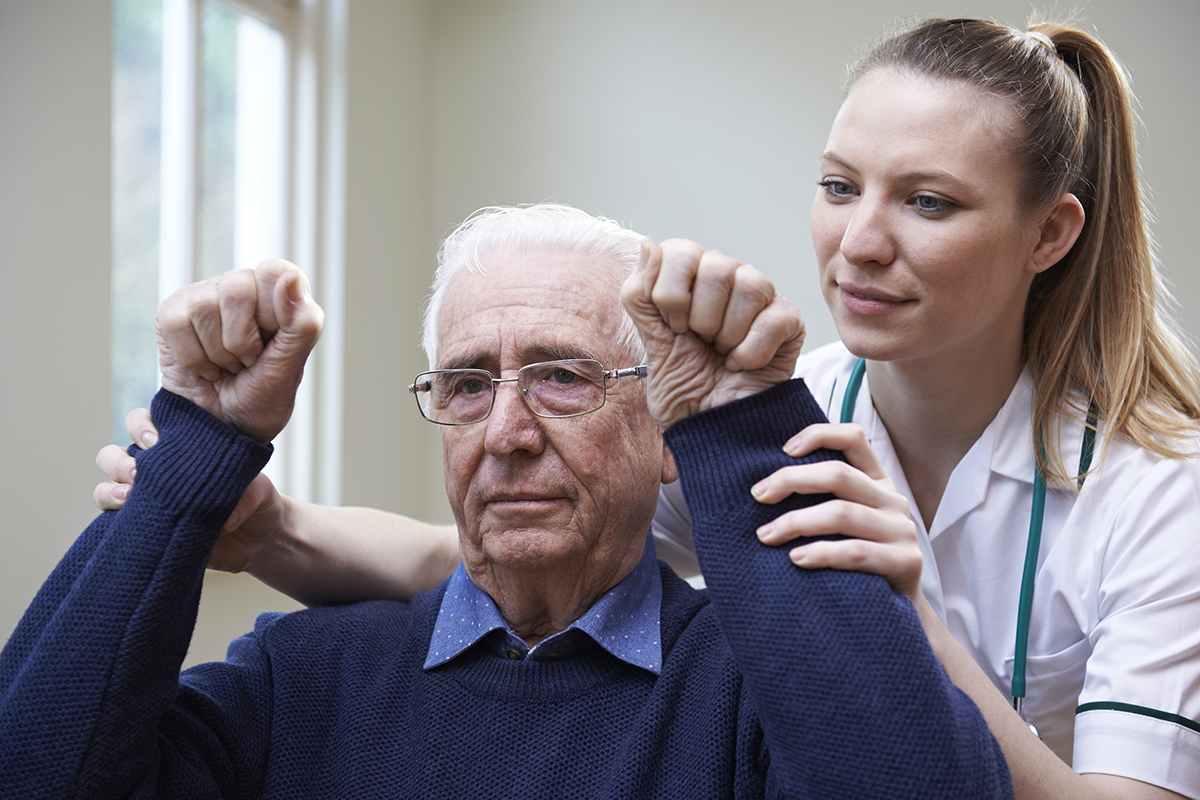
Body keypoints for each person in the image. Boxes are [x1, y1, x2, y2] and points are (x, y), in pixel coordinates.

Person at [92, 16, 1200, 800]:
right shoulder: (774, 411)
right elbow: (483, 549)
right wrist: (257, 525)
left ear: (1050, 233)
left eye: (928, 201)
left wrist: (894, 610)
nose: (860, 241)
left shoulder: (1161, 489)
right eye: (837, 184)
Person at [0, 205, 1013, 799]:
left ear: (666, 432)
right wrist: (200, 440)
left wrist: (741, 428)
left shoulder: (755, 689)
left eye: (565, 376)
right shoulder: (299, 675)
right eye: (469, 383)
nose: (507, 431)